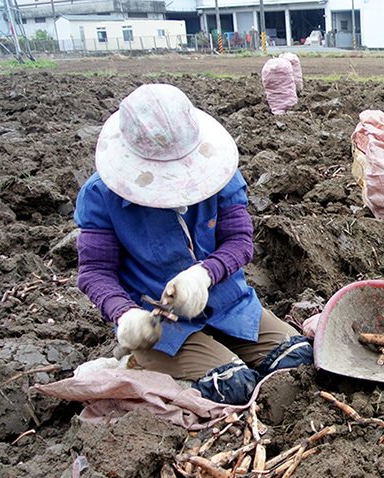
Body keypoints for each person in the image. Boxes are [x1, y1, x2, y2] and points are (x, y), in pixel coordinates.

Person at [74, 83, 313, 406]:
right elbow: (95, 272)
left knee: (296, 360)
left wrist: (204, 274)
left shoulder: (220, 173)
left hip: (229, 305)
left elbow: (239, 241)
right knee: (231, 386)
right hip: (160, 325)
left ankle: (205, 354)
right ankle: (133, 362)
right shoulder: (102, 195)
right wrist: (125, 314)